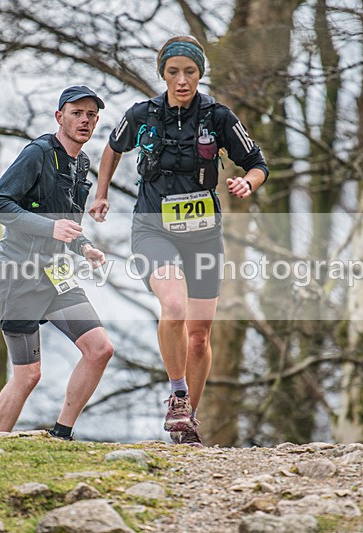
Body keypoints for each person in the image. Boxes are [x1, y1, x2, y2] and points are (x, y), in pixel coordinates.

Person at [89, 37, 268, 446]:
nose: (182, 80)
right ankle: (178, 394)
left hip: (204, 236)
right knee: (173, 306)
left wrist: (246, 182)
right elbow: (112, 150)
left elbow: (257, 164)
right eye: (173, 72)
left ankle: (188, 421)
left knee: (200, 335)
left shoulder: (219, 116)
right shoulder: (142, 114)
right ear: (163, 74)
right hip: (153, 229)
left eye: (190, 72)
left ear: (200, 73)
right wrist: (100, 194)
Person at [0, 85, 114, 440]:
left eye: (90, 115)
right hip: (19, 273)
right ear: (60, 117)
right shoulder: (38, 154)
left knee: (100, 349)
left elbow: (68, 226)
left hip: (56, 274)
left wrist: (85, 246)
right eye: (76, 113)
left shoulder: (81, 163)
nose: (84, 120)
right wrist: (50, 227)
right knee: (28, 375)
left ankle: (61, 434)